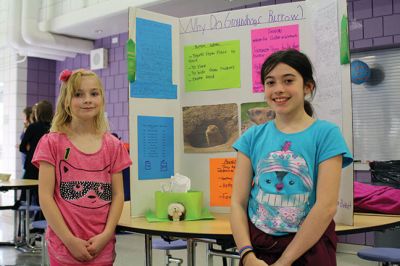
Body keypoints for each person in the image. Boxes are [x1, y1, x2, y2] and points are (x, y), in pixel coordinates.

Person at [230, 49, 353, 266]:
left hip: (308, 247)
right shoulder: (251, 137)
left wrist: (285, 261)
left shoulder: (326, 135)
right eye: (270, 82)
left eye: (288, 81)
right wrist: (247, 255)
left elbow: (325, 206)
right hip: (258, 248)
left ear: (307, 87)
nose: (278, 89)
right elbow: (237, 203)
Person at [32, 69, 132, 266]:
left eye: (94, 93)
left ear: (102, 98)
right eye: (78, 94)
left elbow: (118, 195)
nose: (88, 100)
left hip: (102, 245)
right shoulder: (51, 143)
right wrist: (69, 240)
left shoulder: (113, 145)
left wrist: (107, 234)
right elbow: (45, 196)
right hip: (64, 246)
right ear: (67, 101)